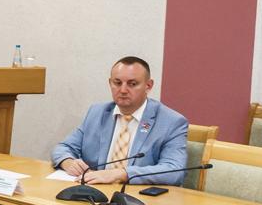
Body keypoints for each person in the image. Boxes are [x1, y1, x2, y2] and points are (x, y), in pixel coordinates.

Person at [52, 56, 188, 185]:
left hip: (137, 196)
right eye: (117, 83)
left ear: (148, 86)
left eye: (132, 84)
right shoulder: (97, 112)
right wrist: (68, 162)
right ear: (110, 83)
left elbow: (174, 170)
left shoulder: (172, 122)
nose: (123, 90)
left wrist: (122, 174)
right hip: (94, 192)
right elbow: (63, 148)